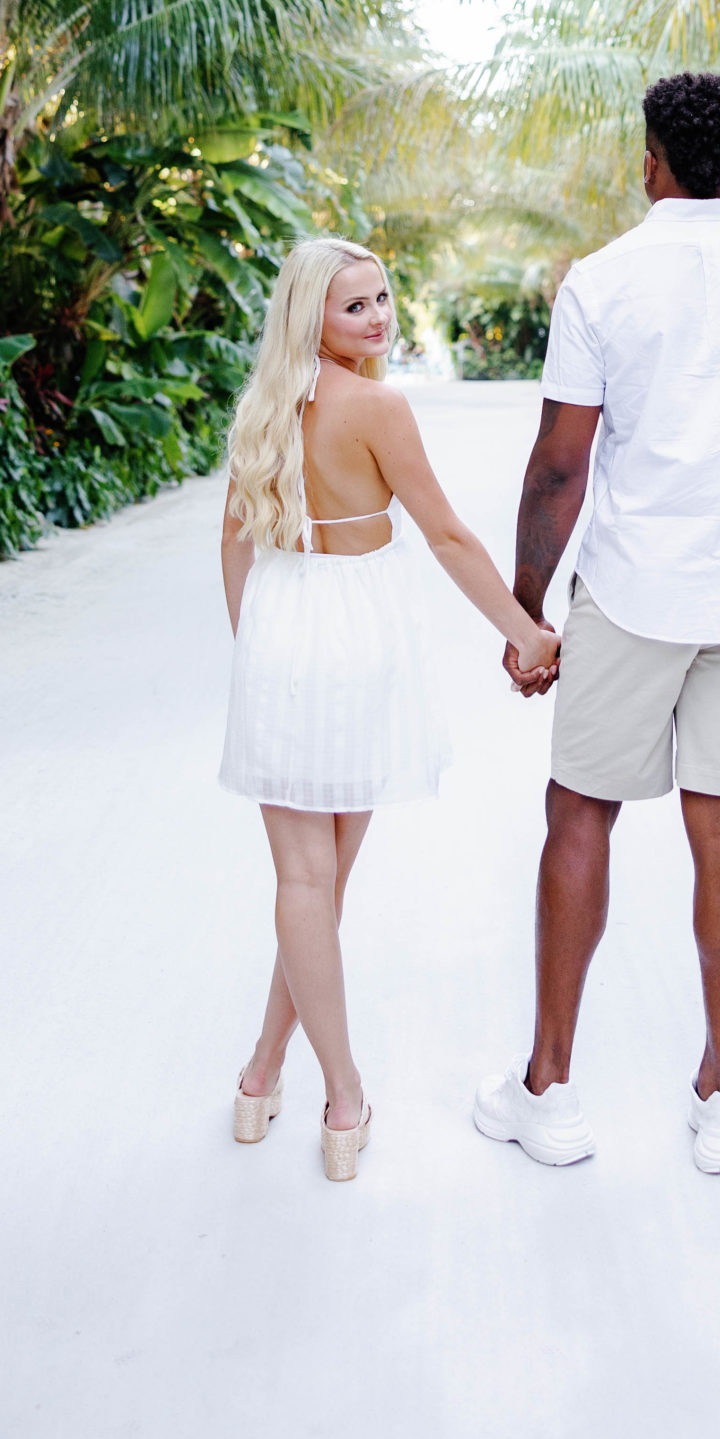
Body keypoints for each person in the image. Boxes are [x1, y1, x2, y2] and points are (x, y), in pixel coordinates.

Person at [473, 71, 720, 1176]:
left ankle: (550, 1087)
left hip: (635, 589)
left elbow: (560, 461)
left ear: (651, 159)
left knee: (581, 812)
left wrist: (526, 605)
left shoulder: (601, 280)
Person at [220, 235, 559, 1182]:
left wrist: (256, 651)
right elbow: (445, 534)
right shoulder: (377, 406)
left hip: (282, 626)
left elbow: (235, 545)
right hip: (358, 634)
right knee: (320, 890)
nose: (378, 318)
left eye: (381, 299)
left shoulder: (263, 407)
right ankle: (344, 1100)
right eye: (355, 306)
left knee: (303, 890)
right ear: (311, 318)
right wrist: (527, 631)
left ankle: (259, 1078)